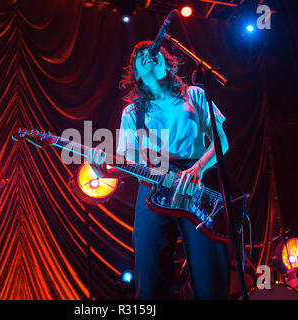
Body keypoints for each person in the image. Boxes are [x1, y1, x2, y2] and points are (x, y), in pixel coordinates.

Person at [89, 41, 231, 300]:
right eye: (141, 57)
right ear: (136, 73)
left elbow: (222, 142)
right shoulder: (133, 112)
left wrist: (198, 168)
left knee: (210, 281)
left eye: (155, 53)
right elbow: (131, 165)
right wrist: (105, 172)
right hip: (153, 188)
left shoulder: (195, 95)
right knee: (150, 281)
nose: (148, 56)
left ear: (168, 64)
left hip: (196, 184)